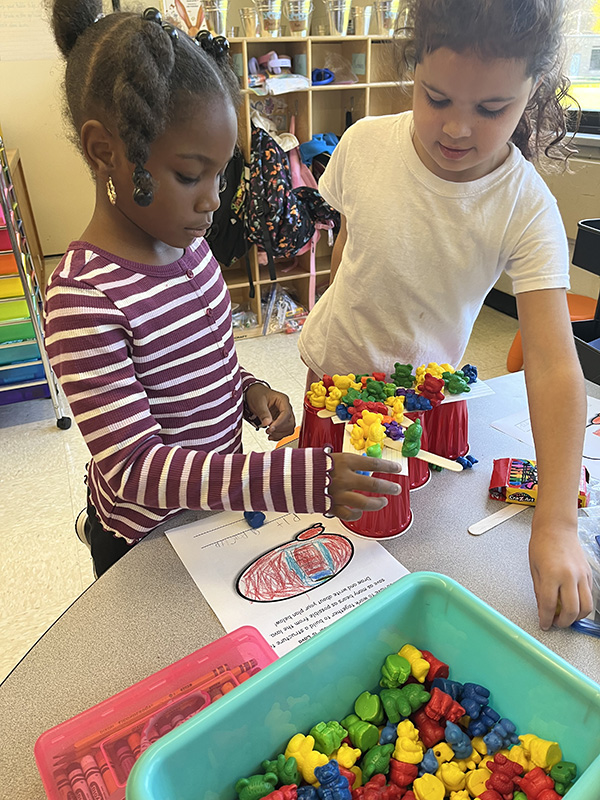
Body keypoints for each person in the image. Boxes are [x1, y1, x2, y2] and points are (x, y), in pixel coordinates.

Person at [45, 0, 402, 578]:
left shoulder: (190, 246)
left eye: (219, 174)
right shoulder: (84, 299)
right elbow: (135, 467)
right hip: (146, 544)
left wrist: (247, 389)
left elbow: (199, 362)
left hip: (212, 515)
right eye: (190, 176)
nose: (214, 199)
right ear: (105, 151)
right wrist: (293, 481)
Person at [298, 0, 594, 630]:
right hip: (332, 381)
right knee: (319, 545)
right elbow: (350, 251)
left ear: (531, 90)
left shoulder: (526, 206)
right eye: (436, 98)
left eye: (491, 110)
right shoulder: (363, 143)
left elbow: (550, 361)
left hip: (419, 401)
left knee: (405, 554)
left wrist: (557, 521)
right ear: (413, 69)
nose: (458, 129)